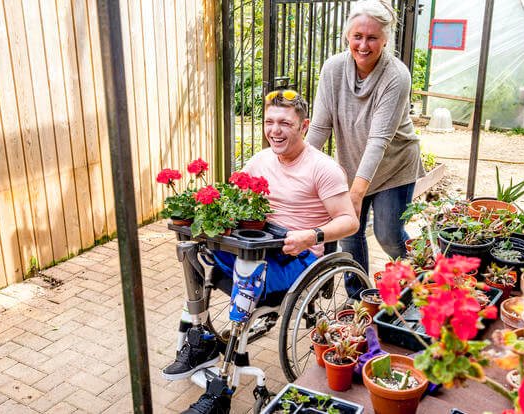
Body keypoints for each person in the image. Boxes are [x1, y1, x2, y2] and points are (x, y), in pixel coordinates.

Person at [162, 90, 359, 414]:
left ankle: (221, 389)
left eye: (285, 122)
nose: (275, 130)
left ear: (304, 126)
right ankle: (201, 340)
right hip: (258, 244)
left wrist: (312, 235)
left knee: (247, 267)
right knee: (193, 249)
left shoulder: (323, 168)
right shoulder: (261, 159)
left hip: (299, 257)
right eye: (269, 122)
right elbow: (232, 201)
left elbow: (349, 221)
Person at [306, 0, 424, 285]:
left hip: (393, 166)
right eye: (357, 36)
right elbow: (321, 126)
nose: (363, 45)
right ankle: (360, 298)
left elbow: (378, 141)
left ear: (385, 39)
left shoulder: (396, 75)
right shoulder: (333, 69)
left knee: (388, 235)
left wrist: (356, 195)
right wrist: (298, 165)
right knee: (350, 234)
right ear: (348, 35)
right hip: (353, 164)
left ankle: (420, 284)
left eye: (372, 37)